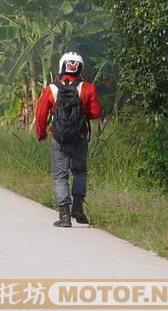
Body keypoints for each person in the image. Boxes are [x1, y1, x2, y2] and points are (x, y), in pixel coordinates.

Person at [35, 52, 102, 228]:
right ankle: (78, 208)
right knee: (80, 172)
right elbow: (95, 113)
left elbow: (41, 115)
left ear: (61, 65)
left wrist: (41, 133)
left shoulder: (51, 89)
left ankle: (64, 216)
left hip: (59, 137)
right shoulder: (88, 88)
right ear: (80, 67)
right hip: (80, 137)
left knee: (60, 176)